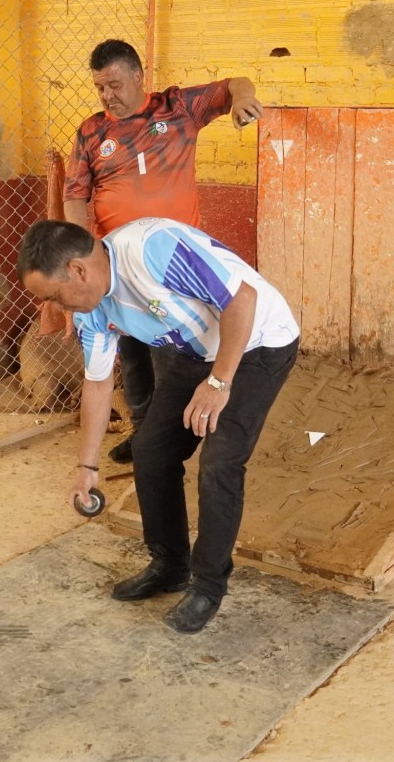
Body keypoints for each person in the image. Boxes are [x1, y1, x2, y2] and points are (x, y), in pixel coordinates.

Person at [17, 217, 299, 634]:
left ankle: (208, 586)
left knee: (220, 464)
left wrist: (219, 383)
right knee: (151, 451)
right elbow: (97, 383)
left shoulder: (153, 251)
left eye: (55, 296)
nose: (58, 309)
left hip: (257, 343)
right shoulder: (91, 309)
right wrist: (86, 468)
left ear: (77, 270)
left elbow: (242, 299)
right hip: (192, 351)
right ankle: (170, 566)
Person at [62, 38, 263, 464]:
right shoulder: (91, 132)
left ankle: (172, 437)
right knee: (132, 356)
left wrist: (244, 101)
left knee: (172, 357)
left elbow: (235, 85)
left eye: (114, 84)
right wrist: (79, 255)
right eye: (99, 87)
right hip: (115, 267)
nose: (106, 95)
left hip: (171, 265)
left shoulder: (176, 109)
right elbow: (75, 195)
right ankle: (142, 433)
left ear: (138, 77)